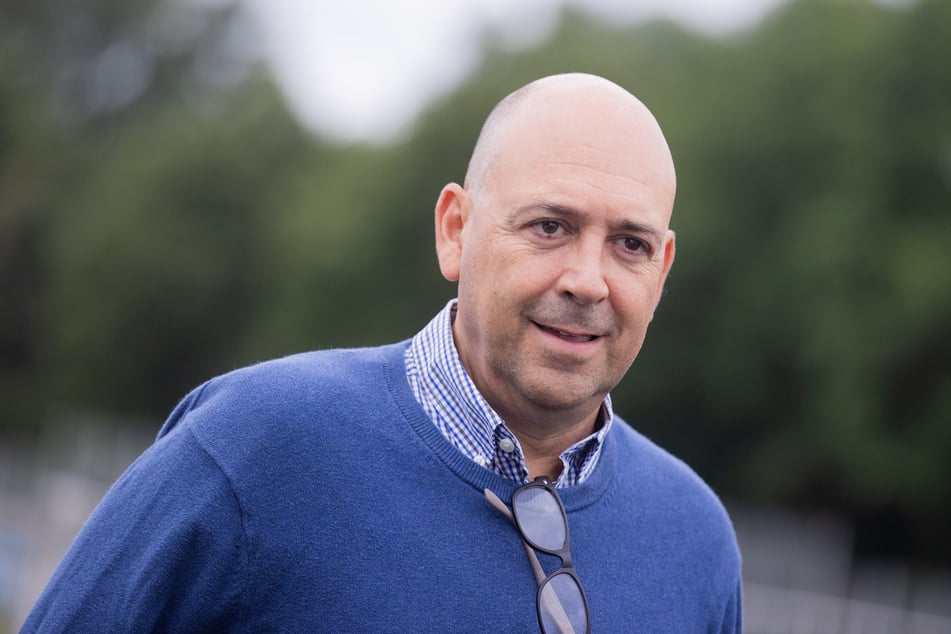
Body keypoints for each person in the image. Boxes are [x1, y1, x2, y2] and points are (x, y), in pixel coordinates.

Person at [23, 73, 742, 632]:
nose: (588, 281)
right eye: (550, 226)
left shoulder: (695, 541)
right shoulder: (254, 447)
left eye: (629, 245)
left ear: (662, 270)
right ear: (455, 230)